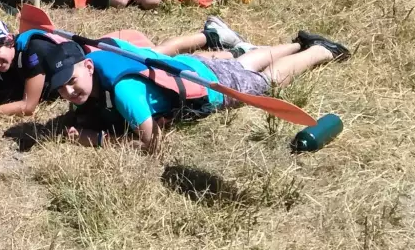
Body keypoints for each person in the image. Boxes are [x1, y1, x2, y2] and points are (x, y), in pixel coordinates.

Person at [50, 30, 348, 153]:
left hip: (209, 89)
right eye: (61, 87)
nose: (69, 90)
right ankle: (298, 42)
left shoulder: (125, 91)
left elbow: (151, 144)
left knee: (266, 82)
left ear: (88, 67)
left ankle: (321, 51)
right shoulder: (99, 58)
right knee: (243, 64)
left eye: (72, 80)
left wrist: (101, 140)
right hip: (184, 65)